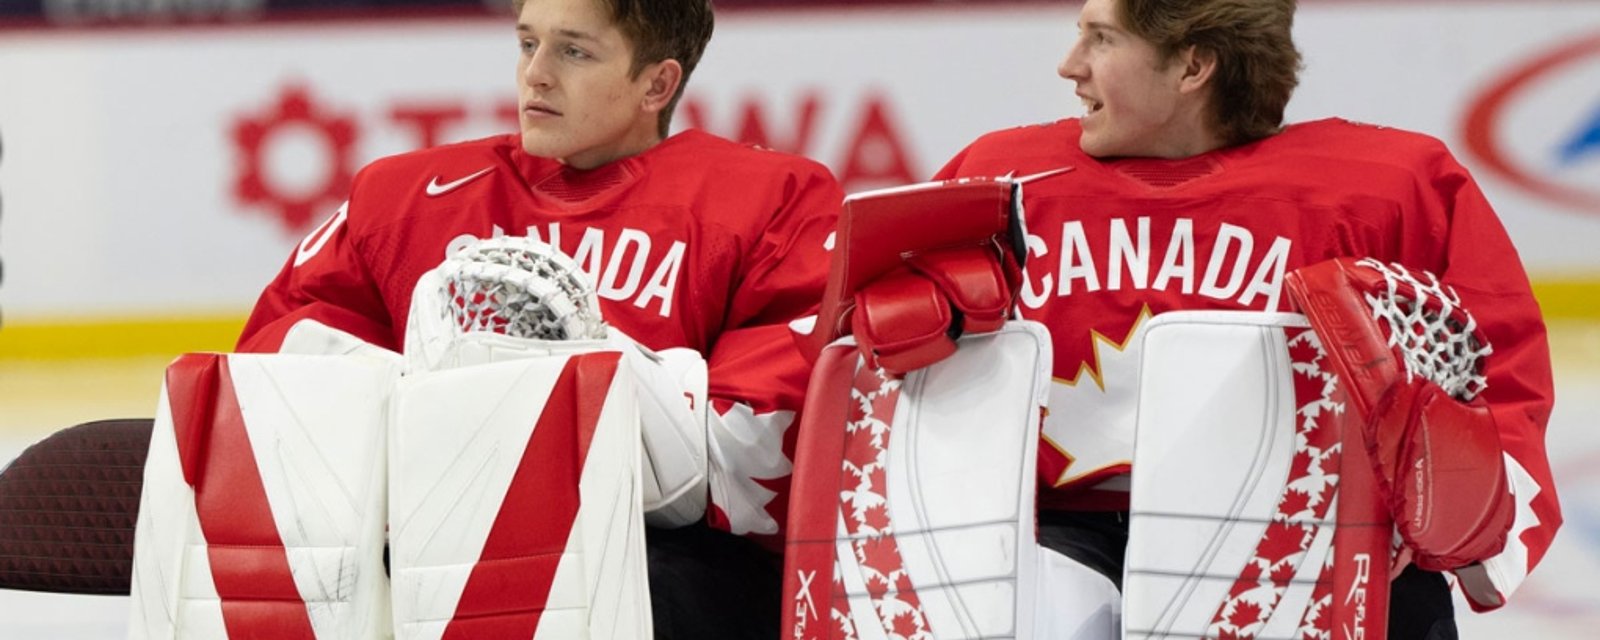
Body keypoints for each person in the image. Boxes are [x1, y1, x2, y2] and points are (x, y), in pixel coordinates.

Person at [932, 0, 1560, 638]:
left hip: (1312, 532)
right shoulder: (1001, 181)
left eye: (1101, 39)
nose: (1070, 67)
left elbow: (1497, 374)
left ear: (1192, 67)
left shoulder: (1387, 190)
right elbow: (887, 392)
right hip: (1056, 537)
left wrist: (1462, 516)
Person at [236, 0, 842, 637]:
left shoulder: (771, 203)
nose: (537, 74)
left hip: (656, 565)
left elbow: (751, 462)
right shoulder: (406, 197)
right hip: (429, 548)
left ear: (656, 84)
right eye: (529, 44)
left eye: (574, 51)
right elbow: (275, 385)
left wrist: (485, 393)